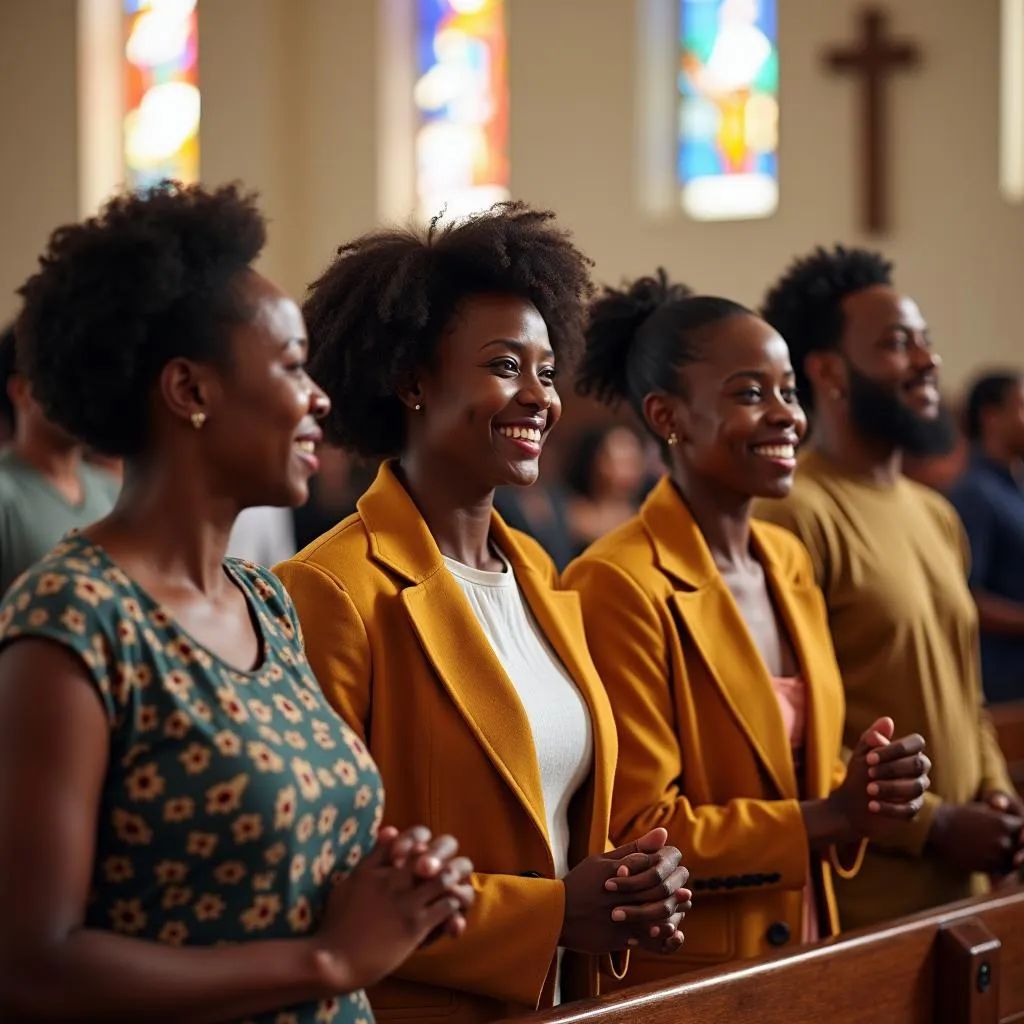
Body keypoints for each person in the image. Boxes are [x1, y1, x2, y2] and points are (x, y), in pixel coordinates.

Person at [0, 182, 474, 1024]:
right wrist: (326, 958)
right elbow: (34, 967)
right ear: (190, 390)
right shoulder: (72, 619)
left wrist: (400, 892)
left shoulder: (265, 603)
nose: (319, 397)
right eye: (292, 366)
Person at [275, 204, 691, 1024]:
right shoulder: (331, 589)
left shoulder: (538, 572)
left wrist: (635, 882)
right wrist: (550, 917)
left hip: (569, 1004)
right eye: (506, 366)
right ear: (414, 381)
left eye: (546, 369)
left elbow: (558, 821)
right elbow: (322, 876)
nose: (538, 396)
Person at [563, 270, 931, 984]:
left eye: (789, 391)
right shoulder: (617, 581)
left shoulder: (787, 561)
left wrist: (867, 786)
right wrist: (832, 814)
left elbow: (795, 763)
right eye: (750, 394)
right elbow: (641, 828)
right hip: (693, 970)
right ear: (668, 418)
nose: (787, 415)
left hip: (807, 938)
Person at [753, 245, 1023, 930]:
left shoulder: (935, 513)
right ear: (827, 371)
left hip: (964, 886)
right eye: (898, 345)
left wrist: (993, 792)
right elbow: (782, 727)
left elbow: (963, 690)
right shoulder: (794, 513)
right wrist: (931, 823)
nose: (929, 361)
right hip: (865, 899)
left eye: (926, 342)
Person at [0, 324, 120, 595]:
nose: (85, 396)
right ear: (21, 391)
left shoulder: (113, 493)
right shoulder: (6, 496)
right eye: (68, 380)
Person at [948, 371, 1024, 704]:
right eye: (1022, 406)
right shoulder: (973, 493)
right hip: (1004, 679)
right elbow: (966, 595)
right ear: (991, 416)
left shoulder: (1016, 486)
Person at [563, 424, 647, 556]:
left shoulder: (644, 519)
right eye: (620, 461)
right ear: (596, 461)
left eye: (633, 460)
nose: (629, 469)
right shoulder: (571, 515)